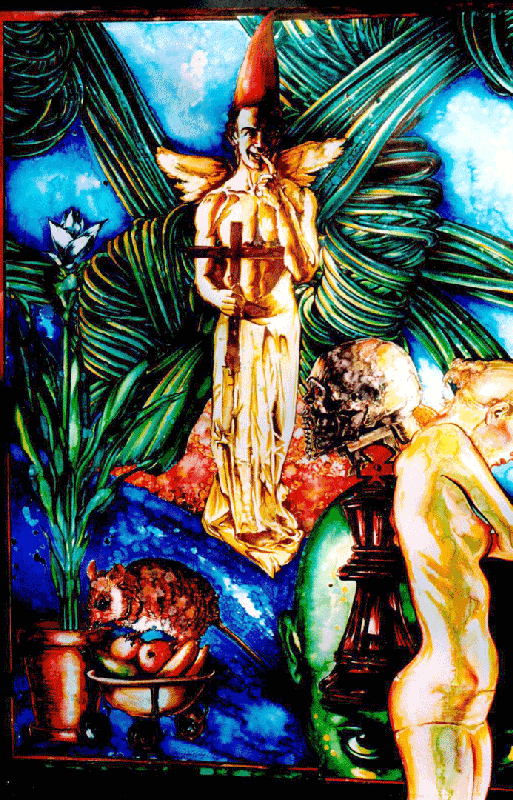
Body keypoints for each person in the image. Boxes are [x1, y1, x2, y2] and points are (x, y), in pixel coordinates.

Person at [389, 358, 513, 800]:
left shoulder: (438, 456)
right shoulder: (444, 442)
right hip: (441, 690)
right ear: (496, 411)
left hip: (467, 692)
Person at [193, 14, 320, 578]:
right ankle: (239, 513)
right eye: (248, 134)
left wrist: (282, 206)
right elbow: (205, 271)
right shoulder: (215, 203)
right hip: (236, 323)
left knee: (272, 419)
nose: (258, 144)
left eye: (266, 135)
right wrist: (215, 295)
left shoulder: (297, 199)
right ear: (235, 138)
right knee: (236, 417)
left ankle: (265, 507)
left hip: (279, 321)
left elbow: (306, 267)